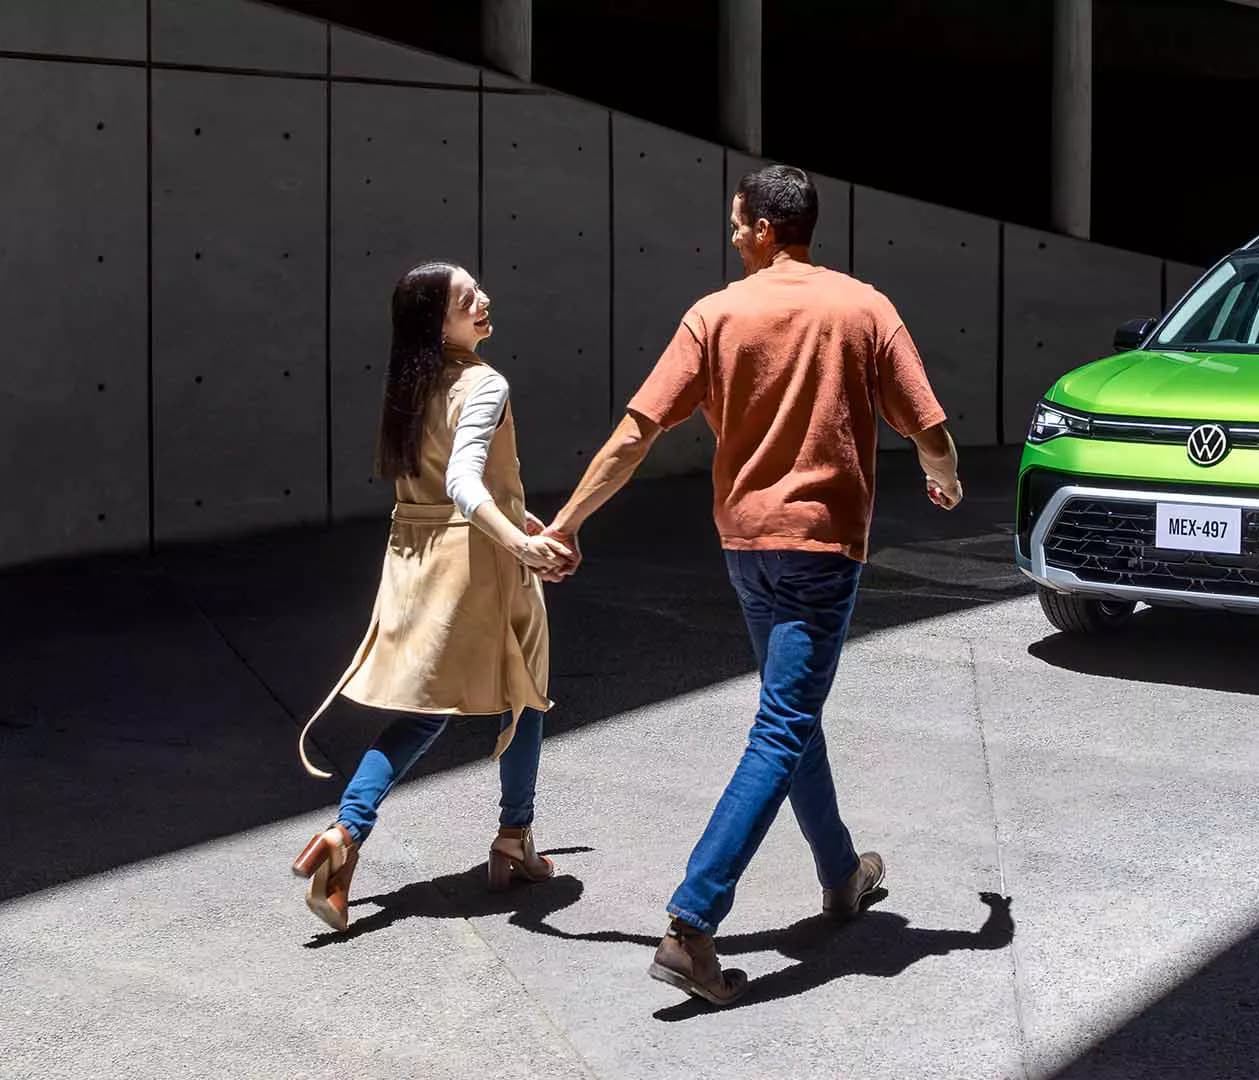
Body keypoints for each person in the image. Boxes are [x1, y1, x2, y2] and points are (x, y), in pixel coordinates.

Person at [540, 164, 963, 1005]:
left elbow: (636, 432)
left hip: (746, 549)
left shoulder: (715, 315)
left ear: (767, 228)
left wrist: (568, 522)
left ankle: (841, 875)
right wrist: (942, 478)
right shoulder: (864, 307)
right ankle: (691, 924)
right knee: (784, 723)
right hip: (821, 550)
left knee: (790, 714)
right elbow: (929, 426)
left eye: (737, 223)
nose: (732, 235)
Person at [289, 262, 573, 932]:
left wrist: (515, 515)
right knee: (524, 694)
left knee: (424, 713)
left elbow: (445, 484)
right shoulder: (485, 383)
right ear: (437, 323)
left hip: (417, 560)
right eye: (466, 299)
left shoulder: (411, 385)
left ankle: (345, 832)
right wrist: (520, 542)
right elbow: (464, 483)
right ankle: (514, 837)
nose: (483, 301)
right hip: (480, 566)